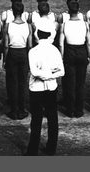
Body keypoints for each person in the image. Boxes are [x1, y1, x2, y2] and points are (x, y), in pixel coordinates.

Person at [26, 28, 63, 156]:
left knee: (36, 119)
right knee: (53, 119)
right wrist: (50, 74)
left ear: (37, 35)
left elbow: (35, 72)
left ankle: (33, 151)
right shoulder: (55, 50)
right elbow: (60, 71)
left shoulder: (33, 51)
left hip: (37, 89)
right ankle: (51, 149)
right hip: (51, 88)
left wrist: (44, 75)